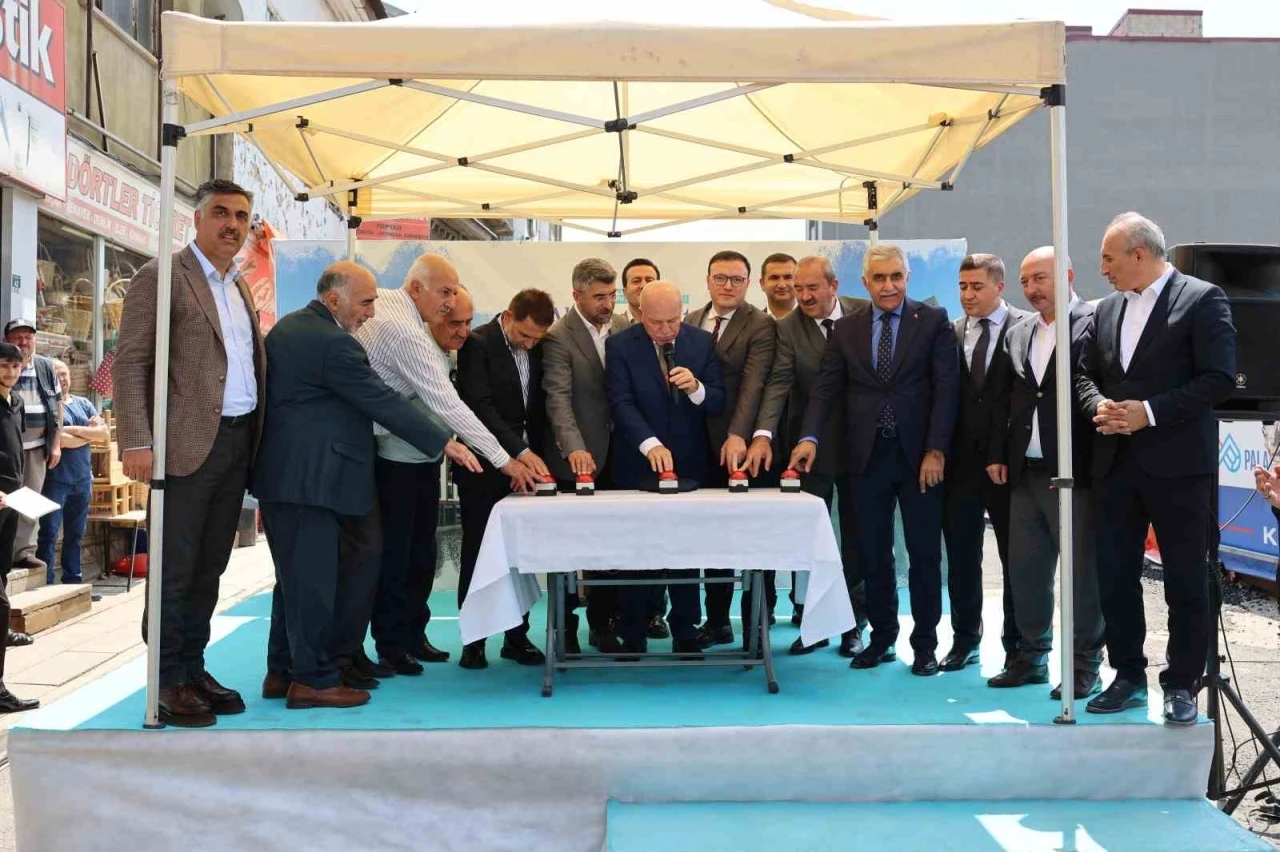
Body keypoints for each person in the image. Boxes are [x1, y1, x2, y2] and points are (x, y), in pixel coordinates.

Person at [255, 262, 463, 710]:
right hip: (311, 480)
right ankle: (313, 681)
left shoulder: (294, 328)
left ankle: (283, 671)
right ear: (334, 300)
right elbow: (380, 399)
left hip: (295, 478)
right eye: (366, 303)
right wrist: (443, 441)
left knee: (293, 582)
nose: (371, 313)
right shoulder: (332, 343)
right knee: (313, 583)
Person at [114, 178, 266, 727]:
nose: (232, 225)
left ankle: (192, 667)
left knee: (210, 566)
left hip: (237, 441)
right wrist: (136, 440)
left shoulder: (239, 284)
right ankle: (166, 678)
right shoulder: (162, 276)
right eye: (221, 213)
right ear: (196, 219)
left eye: (241, 216)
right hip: (182, 446)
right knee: (174, 569)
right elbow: (132, 361)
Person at [1075, 212, 1236, 726]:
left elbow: (1219, 378)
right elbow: (1084, 376)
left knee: (1185, 580)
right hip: (1114, 466)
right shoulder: (1104, 310)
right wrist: (1099, 405)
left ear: (1139, 253)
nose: (1103, 269)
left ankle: (1182, 683)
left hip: (1179, 467)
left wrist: (1149, 412)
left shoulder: (1202, 298)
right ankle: (1126, 675)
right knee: (1116, 578)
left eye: (1108, 258)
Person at [790, 243, 959, 676]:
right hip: (864, 459)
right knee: (873, 554)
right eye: (879, 278)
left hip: (920, 460)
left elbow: (946, 390)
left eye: (896, 277)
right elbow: (825, 389)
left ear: (907, 278)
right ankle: (882, 639)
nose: (888, 286)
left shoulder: (933, 321)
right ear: (864, 282)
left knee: (924, 555)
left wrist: (936, 450)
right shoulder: (847, 328)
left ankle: (925, 645)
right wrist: (809, 437)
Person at [354, 255, 514, 676]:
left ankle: (412, 635)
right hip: (394, 463)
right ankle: (392, 644)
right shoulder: (408, 337)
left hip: (424, 463)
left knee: (422, 555)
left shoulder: (432, 339)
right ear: (418, 293)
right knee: (396, 558)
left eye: (467, 321)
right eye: (449, 312)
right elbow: (450, 407)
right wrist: (504, 460)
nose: (459, 327)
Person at [986, 247, 1104, 698]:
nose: (1032, 289)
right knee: (1027, 573)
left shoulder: (1096, 322)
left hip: (1076, 474)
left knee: (1082, 576)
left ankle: (1084, 666)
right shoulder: (1019, 332)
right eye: (1025, 281)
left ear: (1068, 275)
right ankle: (1031, 656)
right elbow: (1005, 400)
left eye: (1040, 278)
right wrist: (998, 453)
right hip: (1024, 474)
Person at [747, 255, 869, 656]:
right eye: (799, 289)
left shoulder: (865, 313)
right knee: (814, 540)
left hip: (862, 446)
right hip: (809, 447)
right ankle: (814, 624)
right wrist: (763, 434)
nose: (803, 296)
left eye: (812, 288)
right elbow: (779, 382)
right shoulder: (787, 327)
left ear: (833, 286)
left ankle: (854, 625)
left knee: (858, 538)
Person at [606, 281, 725, 653]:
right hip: (637, 463)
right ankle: (633, 632)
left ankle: (686, 631)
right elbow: (620, 402)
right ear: (640, 314)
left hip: (690, 465)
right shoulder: (619, 345)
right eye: (656, 322)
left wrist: (696, 388)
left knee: (686, 553)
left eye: (673, 320)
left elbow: (718, 400)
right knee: (635, 552)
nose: (666, 329)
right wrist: (649, 443)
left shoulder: (701, 342)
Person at [940, 254, 1032, 672]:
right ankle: (964, 640)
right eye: (962, 286)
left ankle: (1017, 644)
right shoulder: (951, 331)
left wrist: (1002, 452)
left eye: (976, 286)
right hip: (959, 467)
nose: (967, 295)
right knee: (961, 558)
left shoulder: (1027, 327)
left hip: (1007, 466)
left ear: (999, 286)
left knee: (1017, 559)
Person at [455, 290, 556, 670]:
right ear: (509, 316)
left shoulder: (539, 347)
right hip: (484, 468)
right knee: (477, 552)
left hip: (527, 471)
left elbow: (539, 411)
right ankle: (474, 641)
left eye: (536, 339)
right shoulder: (477, 344)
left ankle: (517, 636)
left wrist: (531, 463)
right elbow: (480, 408)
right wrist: (516, 454)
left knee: (521, 555)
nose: (530, 344)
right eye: (525, 335)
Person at [685, 250, 776, 649]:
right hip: (694, 446)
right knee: (708, 538)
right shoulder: (690, 320)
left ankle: (758, 622)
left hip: (739, 448)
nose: (727, 286)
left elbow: (754, 384)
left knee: (751, 537)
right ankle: (717, 621)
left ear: (748, 284)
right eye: (720, 278)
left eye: (736, 279)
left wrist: (739, 434)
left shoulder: (760, 324)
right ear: (707, 280)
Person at [543, 259, 634, 649]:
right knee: (567, 549)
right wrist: (575, 448)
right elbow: (558, 400)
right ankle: (564, 630)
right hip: (575, 461)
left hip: (620, 456)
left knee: (610, 547)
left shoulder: (624, 327)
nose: (607, 304)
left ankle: (603, 625)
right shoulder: (557, 337)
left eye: (612, 295)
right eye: (599, 296)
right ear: (576, 295)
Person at [37, 359, 108, 585]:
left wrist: (68, 430)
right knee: (48, 534)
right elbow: (60, 440)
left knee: (75, 535)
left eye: (64, 374)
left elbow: (104, 435)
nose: (62, 379)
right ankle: (45, 583)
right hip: (56, 480)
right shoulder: (47, 405)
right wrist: (88, 433)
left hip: (83, 480)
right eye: (57, 374)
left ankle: (73, 580)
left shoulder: (84, 403)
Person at [0, 343, 40, 712]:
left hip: (11, 503)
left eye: (15, 366)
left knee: (3, 574)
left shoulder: (16, 402)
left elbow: (17, 452)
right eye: (4, 365)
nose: (10, 372)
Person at [3, 319, 61, 573]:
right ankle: (5, 553)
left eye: (28, 337)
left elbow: (57, 406)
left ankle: (24, 552)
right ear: (7, 340)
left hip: (37, 447)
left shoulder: (45, 367)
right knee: (7, 501)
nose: (24, 342)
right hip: (8, 450)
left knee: (30, 500)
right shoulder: (5, 368)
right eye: (18, 337)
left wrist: (55, 444)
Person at [759, 253, 798, 319]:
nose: (782, 285)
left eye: (788, 277)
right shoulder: (750, 323)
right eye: (774, 278)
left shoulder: (813, 320)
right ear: (762, 284)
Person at [622, 258, 660, 324]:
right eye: (636, 281)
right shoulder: (612, 327)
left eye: (649, 281)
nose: (643, 286)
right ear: (625, 292)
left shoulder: (674, 326)